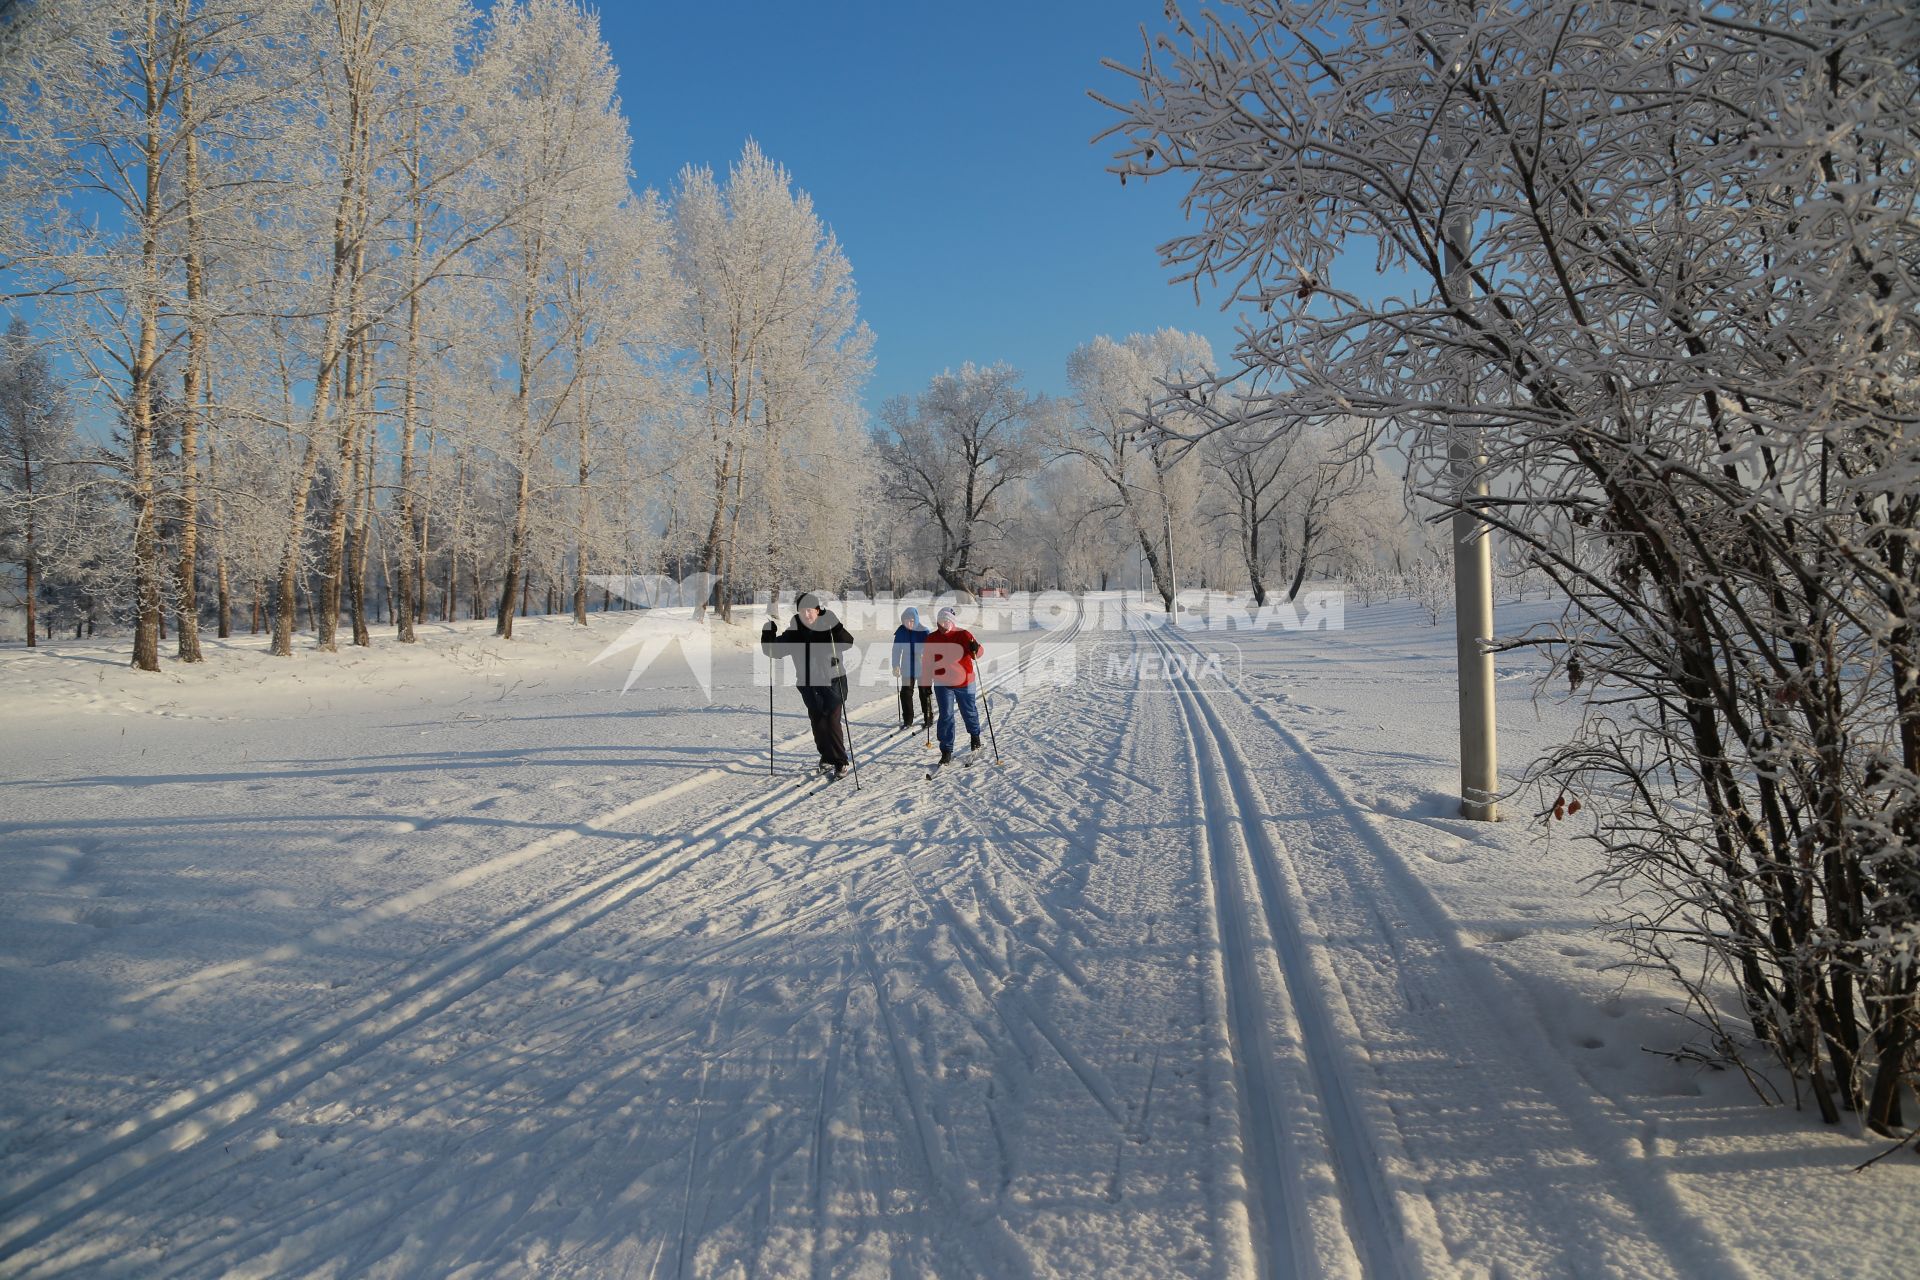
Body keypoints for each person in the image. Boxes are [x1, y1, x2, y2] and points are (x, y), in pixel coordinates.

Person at [761, 592, 855, 778]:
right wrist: (768, 634)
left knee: (831, 723)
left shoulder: (828, 627)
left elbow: (847, 641)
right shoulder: (794, 633)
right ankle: (827, 757)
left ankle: (841, 761)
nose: (807, 614)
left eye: (810, 610)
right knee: (818, 725)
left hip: (833, 683)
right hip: (809, 686)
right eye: (803, 611)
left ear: (817, 610)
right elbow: (773, 651)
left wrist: (836, 625)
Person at [923, 605, 984, 764]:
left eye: (946, 621)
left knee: (968, 711)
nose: (943, 625)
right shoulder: (932, 638)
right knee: (946, 715)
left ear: (952, 622)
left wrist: (975, 648)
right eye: (940, 621)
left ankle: (975, 736)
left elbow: (979, 652)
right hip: (942, 682)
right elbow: (927, 662)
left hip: (965, 681)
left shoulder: (963, 634)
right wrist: (925, 683)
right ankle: (946, 750)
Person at [891, 606, 934, 730]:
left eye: (911, 620)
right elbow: (896, 650)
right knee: (905, 693)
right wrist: (895, 665)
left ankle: (928, 718)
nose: (908, 623)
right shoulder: (901, 632)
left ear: (916, 620)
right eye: (906, 620)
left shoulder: (924, 631)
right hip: (907, 667)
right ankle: (908, 720)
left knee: (924, 693)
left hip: (923, 667)